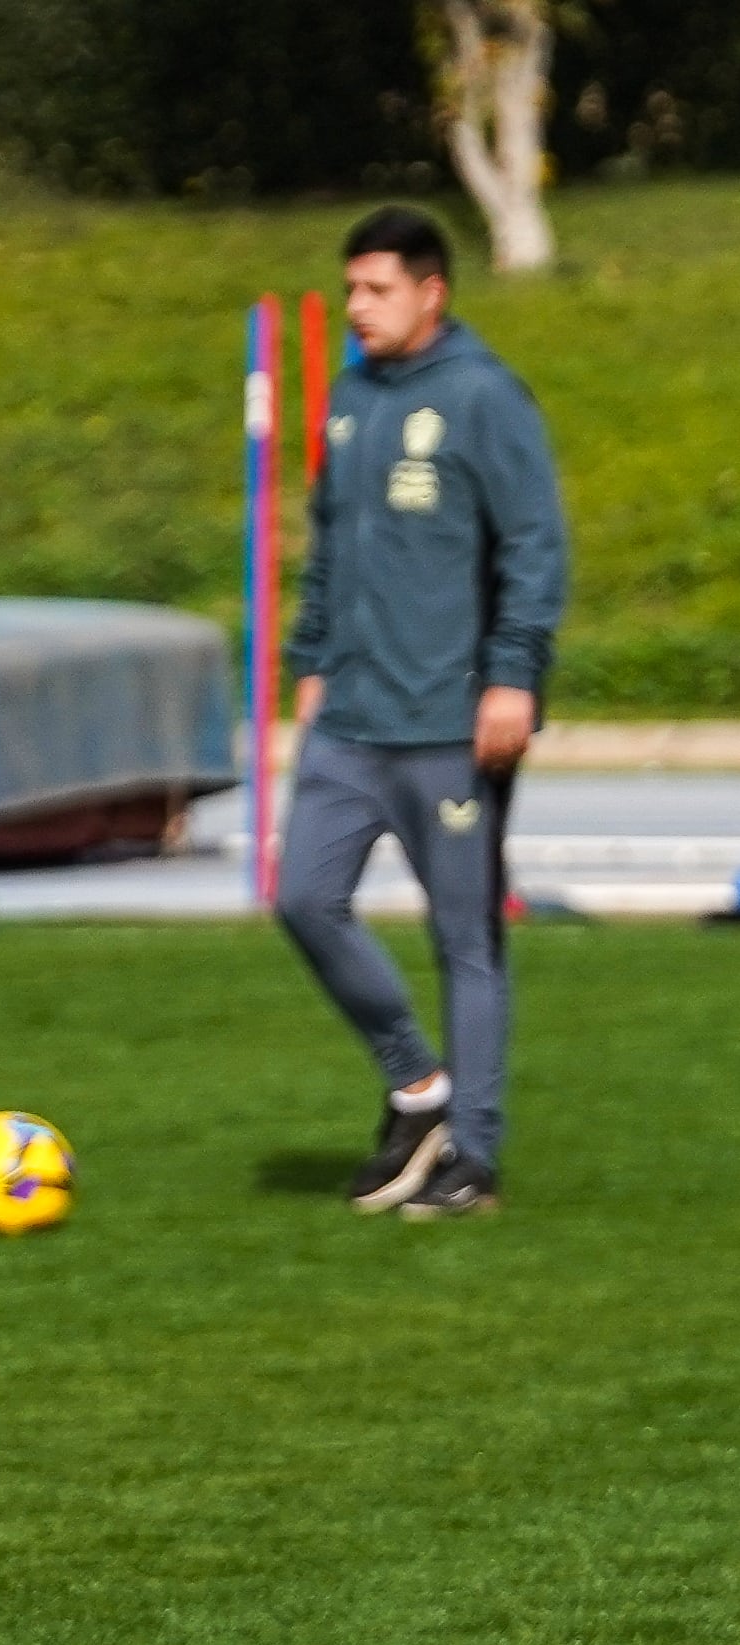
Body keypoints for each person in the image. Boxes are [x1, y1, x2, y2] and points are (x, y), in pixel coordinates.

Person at [277, 205, 567, 1219]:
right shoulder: (349, 398)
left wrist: (512, 676)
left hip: (450, 723)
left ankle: (471, 1161)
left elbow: (533, 546)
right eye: (351, 288)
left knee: (465, 940)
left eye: (376, 289)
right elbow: (330, 544)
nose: (357, 306)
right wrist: (309, 656)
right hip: (349, 718)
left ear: (430, 292)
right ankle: (417, 1090)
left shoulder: (485, 398)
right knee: (300, 897)